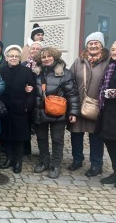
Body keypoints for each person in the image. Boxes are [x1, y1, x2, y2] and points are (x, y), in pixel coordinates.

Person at [32, 47, 80, 179]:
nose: (46, 59)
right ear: (39, 59)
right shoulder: (35, 72)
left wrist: (73, 112)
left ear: (55, 57)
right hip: (39, 111)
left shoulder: (65, 73)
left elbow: (72, 94)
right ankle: (44, 161)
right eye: (43, 57)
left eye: (49, 56)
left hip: (58, 112)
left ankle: (55, 164)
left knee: (57, 139)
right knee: (41, 138)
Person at [68, 32, 108, 177]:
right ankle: (77, 159)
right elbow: (70, 80)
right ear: (86, 46)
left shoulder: (107, 62)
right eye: (90, 43)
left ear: (101, 46)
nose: (93, 45)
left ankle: (97, 164)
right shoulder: (79, 61)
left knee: (96, 136)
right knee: (76, 133)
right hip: (78, 104)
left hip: (97, 106)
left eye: (96, 43)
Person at [0, 45, 35, 173]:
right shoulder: (0, 70)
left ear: (20, 58)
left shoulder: (26, 71)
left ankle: (18, 161)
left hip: (20, 108)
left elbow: (31, 91)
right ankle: (9, 159)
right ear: (6, 57)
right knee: (6, 136)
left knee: (19, 136)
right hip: (5, 108)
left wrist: (27, 107)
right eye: (11, 56)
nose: (13, 58)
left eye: (16, 56)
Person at [96, 39, 116, 188]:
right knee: (110, 141)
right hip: (109, 111)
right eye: (113, 49)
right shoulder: (110, 65)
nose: (115, 52)